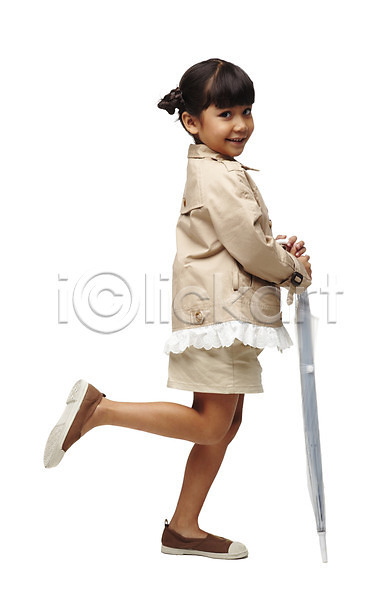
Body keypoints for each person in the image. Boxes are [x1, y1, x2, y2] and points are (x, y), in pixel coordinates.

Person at [43, 58, 312, 560]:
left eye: (246, 111)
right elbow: (248, 248)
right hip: (222, 315)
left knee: (225, 424)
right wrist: (293, 270)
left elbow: (239, 243)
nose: (240, 124)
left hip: (222, 310)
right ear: (192, 121)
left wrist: (277, 253)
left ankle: (184, 529)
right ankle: (99, 410)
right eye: (225, 113)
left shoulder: (217, 169)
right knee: (212, 424)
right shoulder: (218, 175)